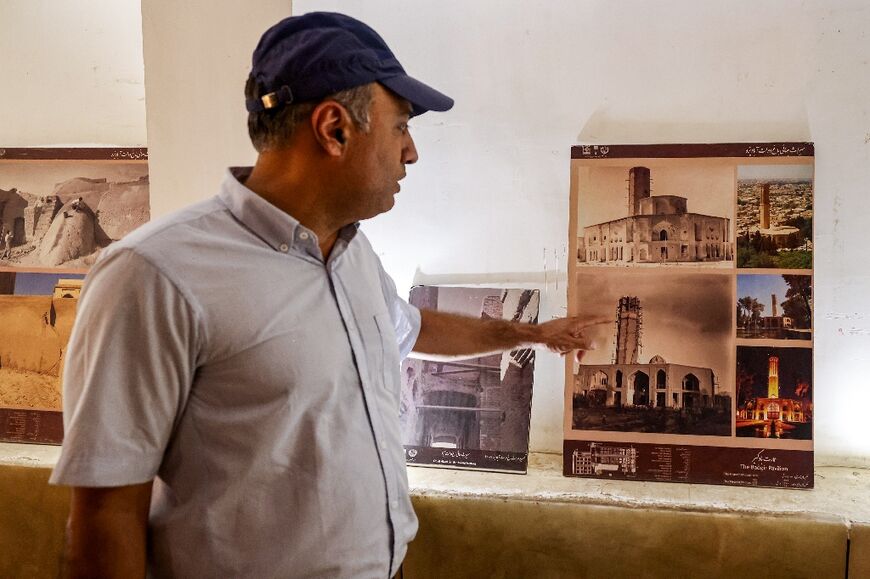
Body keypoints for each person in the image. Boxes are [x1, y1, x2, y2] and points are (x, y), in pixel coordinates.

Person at [50, 12, 588, 579]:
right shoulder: (152, 276)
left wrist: (533, 333)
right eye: (401, 126)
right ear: (334, 128)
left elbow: (411, 328)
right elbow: (105, 520)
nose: (411, 153)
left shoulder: (354, 254)